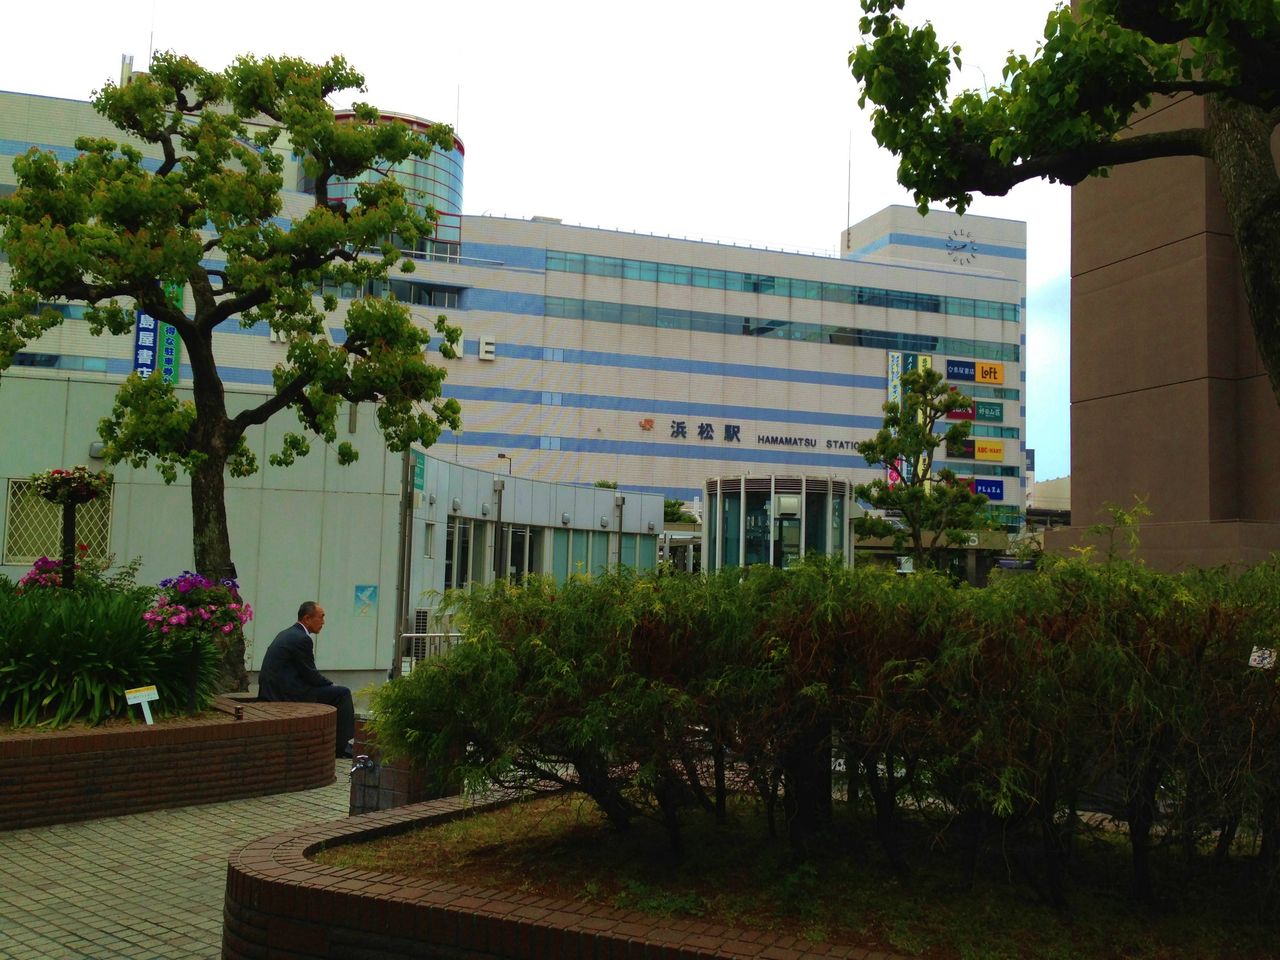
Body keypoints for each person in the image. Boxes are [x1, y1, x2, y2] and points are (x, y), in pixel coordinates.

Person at [258, 601, 355, 758]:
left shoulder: (288, 633)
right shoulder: (302, 639)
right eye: (321, 617)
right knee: (342, 693)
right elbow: (311, 674)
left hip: (274, 690)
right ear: (307, 618)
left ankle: (337, 742)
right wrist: (331, 684)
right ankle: (341, 746)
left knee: (335, 692)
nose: (323, 622)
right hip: (286, 694)